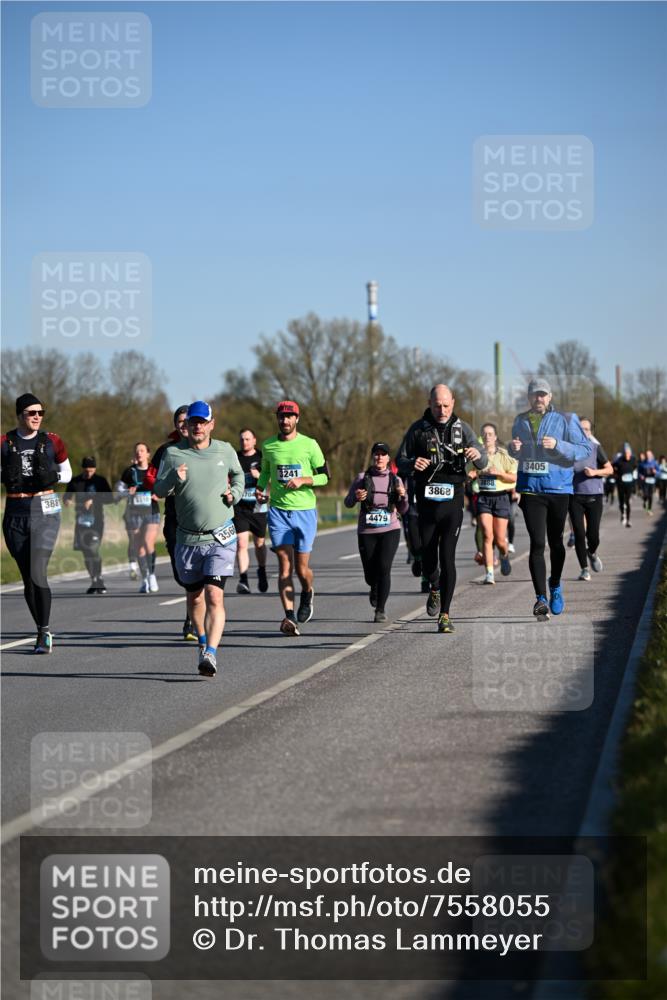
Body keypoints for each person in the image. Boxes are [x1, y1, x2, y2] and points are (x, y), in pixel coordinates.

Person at [153, 400, 244, 677]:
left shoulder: (225, 450)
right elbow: (157, 489)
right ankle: (203, 641)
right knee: (194, 600)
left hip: (221, 536)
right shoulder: (172, 453)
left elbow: (239, 476)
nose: (197, 426)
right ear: (186, 425)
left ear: (211, 424)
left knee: (215, 596)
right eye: (193, 422)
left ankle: (211, 654)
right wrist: (173, 479)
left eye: (202, 422)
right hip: (188, 540)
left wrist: (235, 494)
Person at [396, 384, 487, 634]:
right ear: (430, 403)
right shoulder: (418, 429)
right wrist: (413, 462)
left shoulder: (463, 428)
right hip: (425, 506)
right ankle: (434, 587)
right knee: (427, 560)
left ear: (453, 403)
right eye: (437, 405)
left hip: (452, 504)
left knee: (448, 558)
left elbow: (484, 458)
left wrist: (475, 455)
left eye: (446, 405)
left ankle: (445, 614)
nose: (442, 410)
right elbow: (399, 461)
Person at [508, 378, 591, 620]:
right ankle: (540, 598)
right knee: (537, 543)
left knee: (556, 542)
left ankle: (554, 584)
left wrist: (559, 444)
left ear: (550, 397)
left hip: (558, 489)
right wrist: (513, 448)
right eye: (535, 395)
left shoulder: (567, 419)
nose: (539, 399)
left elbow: (584, 449)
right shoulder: (520, 421)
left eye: (543, 395)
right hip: (531, 489)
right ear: (529, 397)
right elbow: (518, 452)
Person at [1, 393, 72, 652]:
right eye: (32, 413)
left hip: (46, 508)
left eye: (40, 413)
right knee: (27, 578)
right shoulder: (4, 442)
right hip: (15, 510)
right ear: (20, 415)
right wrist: (6, 473)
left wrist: (50, 475)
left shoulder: (52, 440)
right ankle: (41, 628)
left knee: (38, 570)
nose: (37, 417)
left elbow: (67, 473)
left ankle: (44, 634)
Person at [255, 400, 329, 636]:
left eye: (289, 416)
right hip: (278, 512)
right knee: (284, 567)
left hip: (305, 512)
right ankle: (289, 617)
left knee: (301, 569)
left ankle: (307, 592)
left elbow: (325, 477)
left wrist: (304, 480)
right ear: (277, 418)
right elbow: (266, 471)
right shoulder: (268, 446)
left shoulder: (309, 445)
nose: (285, 420)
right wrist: (260, 488)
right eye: (281, 416)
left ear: (297, 418)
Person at [143, 406, 194, 638]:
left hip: (198, 517)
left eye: (187, 420)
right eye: (180, 421)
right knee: (180, 571)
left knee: (195, 571)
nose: (184, 425)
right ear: (175, 425)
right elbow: (150, 476)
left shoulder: (205, 448)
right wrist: (162, 485)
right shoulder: (166, 450)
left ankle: (191, 620)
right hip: (174, 516)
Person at [344, 442, 409, 623]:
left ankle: (380, 609)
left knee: (384, 567)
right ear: (373, 457)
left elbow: (404, 509)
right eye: (377, 454)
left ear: (388, 458)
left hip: (390, 528)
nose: (380, 457)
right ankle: (373, 586)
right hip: (367, 530)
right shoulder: (362, 477)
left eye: (383, 454)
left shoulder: (396, 479)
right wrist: (356, 497)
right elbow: (347, 502)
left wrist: (402, 495)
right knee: (370, 573)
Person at [470, 423, 517, 585]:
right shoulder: (476, 456)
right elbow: (469, 472)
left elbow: (514, 478)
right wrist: (473, 473)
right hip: (483, 497)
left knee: (499, 540)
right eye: (485, 434)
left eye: (490, 434)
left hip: (501, 498)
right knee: (487, 535)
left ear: (495, 437)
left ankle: (504, 555)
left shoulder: (504, 455)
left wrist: (499, 473)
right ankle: (489, 573)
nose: (487, 437)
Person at [569, 418, 613, 581]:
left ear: (590, 432)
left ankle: (592, 552)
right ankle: (584, 569)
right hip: (574, 497)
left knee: (593, 535)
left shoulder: (596, 448)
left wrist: (594, 473)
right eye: (580, 429)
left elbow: (610, 469)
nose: (583, 432)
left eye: (586, 429)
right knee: (579, 534)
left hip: (594, 495)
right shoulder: (568, 450)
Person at [64, 457, 114, 593]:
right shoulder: (75, 481)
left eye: (91, 469)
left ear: (95, 469)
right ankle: (94, 580)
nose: (88, 472)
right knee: (86, 553)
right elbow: (67, 495)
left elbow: (110, 498)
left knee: (93, 550)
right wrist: (67, 500)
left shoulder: (100, 481)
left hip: (96, 522)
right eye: (86, 469)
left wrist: (93, 499)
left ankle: (99, 577)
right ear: (82, 469)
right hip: (81, 522)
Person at [119, 443, 161, 594]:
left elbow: (164, 486)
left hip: (151, 510)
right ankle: (144, 577)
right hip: (134, 512)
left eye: (142, 451)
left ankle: (152, 575)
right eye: (137, 451)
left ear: (148, 454)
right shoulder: (129, 472)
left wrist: (159, 494)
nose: (139, 453)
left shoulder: (154, 470)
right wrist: (126, 493)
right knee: (138, 547)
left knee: (148, 542)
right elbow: (119, 490)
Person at [233, 428, 269, 595]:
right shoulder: (235, 458)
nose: (244, 442)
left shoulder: (262, 457)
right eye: (242, 439)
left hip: (258, 508)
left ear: (254, 440)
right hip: (240, 508)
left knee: (259, 544)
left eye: (247, 439)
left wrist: (258, 477)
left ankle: (261, 570)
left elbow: (271, 480)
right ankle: (243, 578)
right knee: (241, 543)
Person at [613, 443, 636, 527]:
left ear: (630, 453)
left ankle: (628, 520)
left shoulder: (633, 460)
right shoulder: (619, 460)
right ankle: (622, 514)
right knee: (621, 501)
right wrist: (616, 473)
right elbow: (612, 467)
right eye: (626, 453)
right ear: (624, 453)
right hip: (620, 484)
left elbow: (635, 467)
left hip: (629, 484)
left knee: (628, 501)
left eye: (628, 453)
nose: (627, 455)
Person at [638, 449, 659, 515]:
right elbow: (639, 472)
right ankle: (644, 501)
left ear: (651, 455)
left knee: (650, 496)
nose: (648, 456)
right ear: (646, 455)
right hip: (645, 481)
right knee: (646, 494)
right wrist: (641, 476)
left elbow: (659, 471)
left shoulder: (655, 462)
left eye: (649, 454)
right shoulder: (642, 463)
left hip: (652, 481)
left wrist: (655, 472)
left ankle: (649, 509)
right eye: (647, 455)